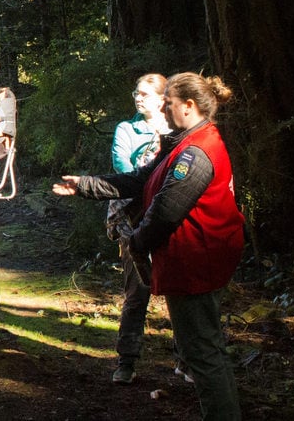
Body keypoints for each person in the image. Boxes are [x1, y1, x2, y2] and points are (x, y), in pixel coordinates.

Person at [52, 72, 244, 421]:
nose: (163, 109)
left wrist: (135, 242)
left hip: (197, 263)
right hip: (191, 261)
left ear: (188, 105)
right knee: (202, 349)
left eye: (168, 103)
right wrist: (85, 185)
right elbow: (140, 180)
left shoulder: (197, 151)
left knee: (202, 352)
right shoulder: (183, 142)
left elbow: (166, 211)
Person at [107, 73, 171, 384]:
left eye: (146, 93)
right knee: (136, 289)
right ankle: (126, 361)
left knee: (178, 286)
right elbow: (123, 169)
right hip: (131, 215)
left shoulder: (175, 129)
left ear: (162, 99)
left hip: (169, 213)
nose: (139, 97)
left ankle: (187, 360)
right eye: (137, 92)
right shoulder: (125, 128)